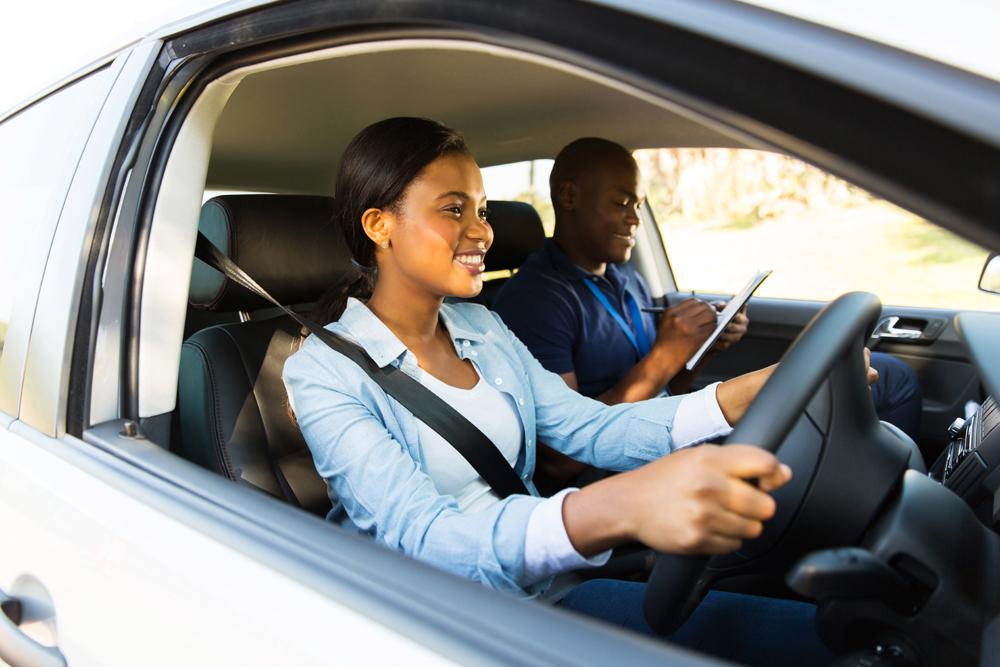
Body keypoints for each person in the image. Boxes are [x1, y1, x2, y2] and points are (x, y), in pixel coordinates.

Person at [283, 118, 864, 665]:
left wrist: (743, 394)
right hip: (446, 628)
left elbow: (590, 428)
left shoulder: (482, 328)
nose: (483, 231)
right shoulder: (323, 372)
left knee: (836, 636)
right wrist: (617, 507)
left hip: (546, 589)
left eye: (482, 210)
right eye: (453, 210)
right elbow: (426, 539)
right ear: (380, 225)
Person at [492, 137, 922, 490]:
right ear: (569, 197)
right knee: (856, 405)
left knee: (888, 375)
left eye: (638, 205)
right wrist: (664, 355)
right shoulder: (535, 300)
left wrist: (701, 350)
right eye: (622, 202)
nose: (634, 219)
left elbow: (668, 392)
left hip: (668, 426)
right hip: (612, 468)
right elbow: (560, 459)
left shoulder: (626, 280)